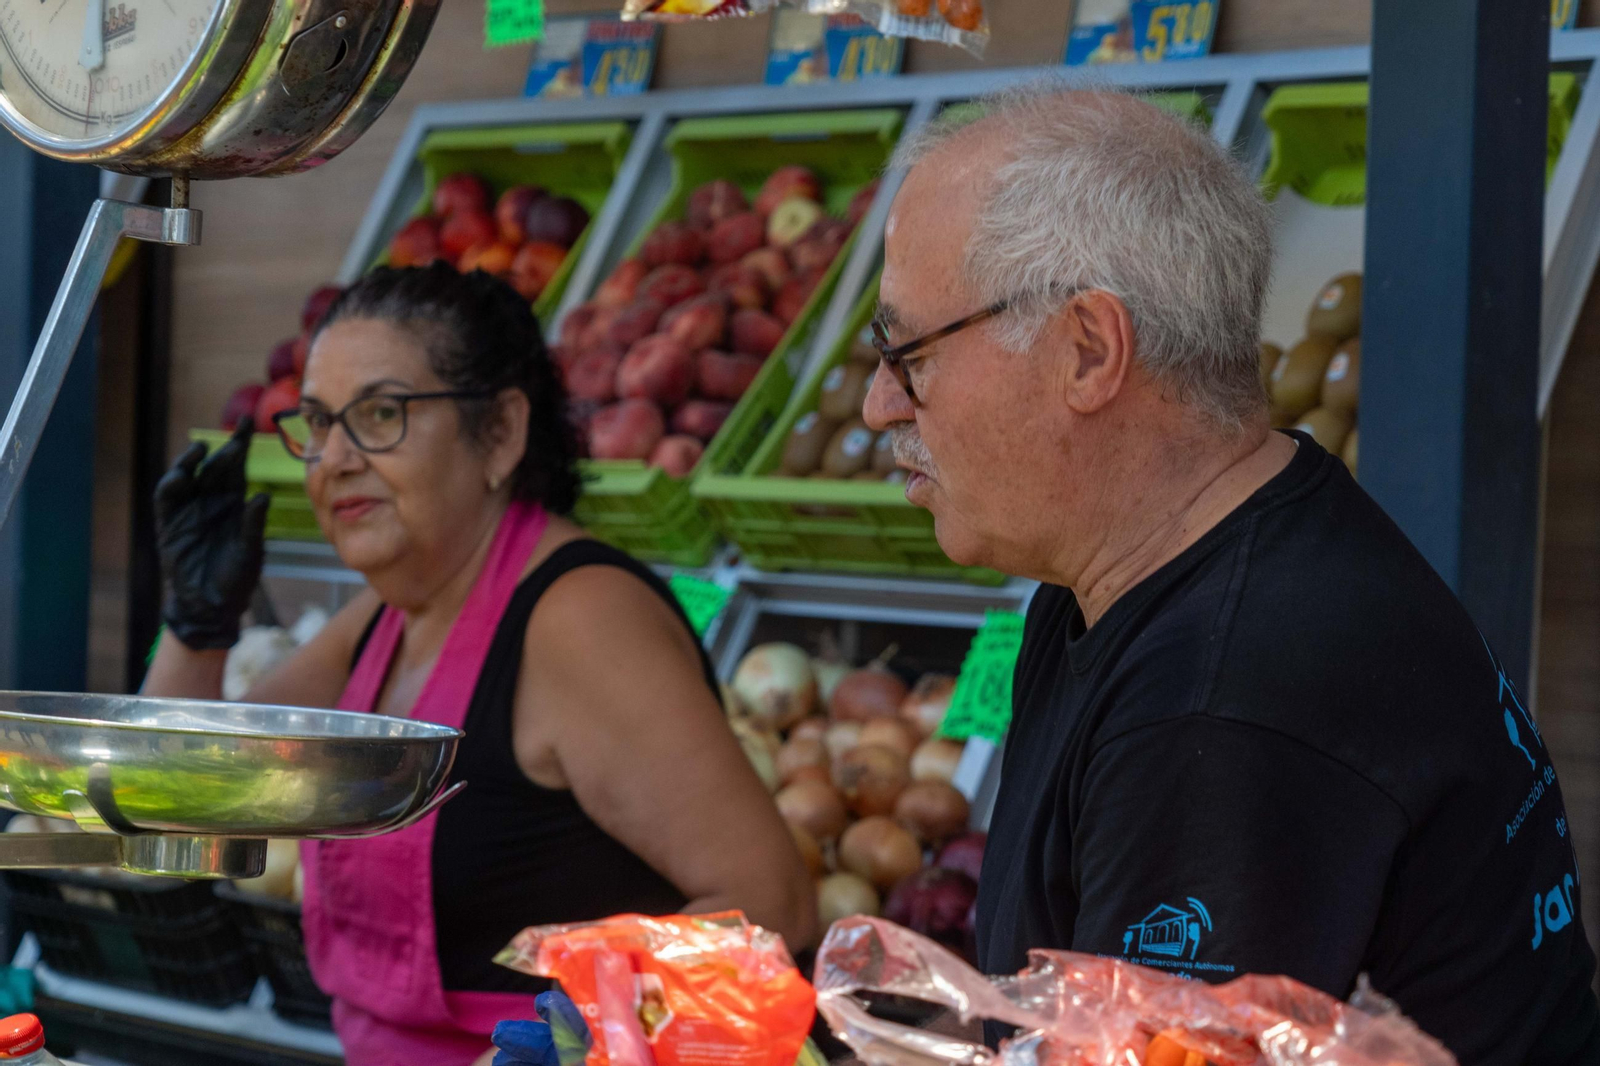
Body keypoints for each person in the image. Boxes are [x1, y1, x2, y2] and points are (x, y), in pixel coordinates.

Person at [861, 86, 1600, 1064]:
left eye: (906, 354)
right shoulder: (1173, 560)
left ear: (1088, 349)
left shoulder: (1221, 701)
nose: (878, 405)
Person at [143, 264, 815, 1066]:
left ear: (498, 433)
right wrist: (196, 625)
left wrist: (560, 1047)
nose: (336, 459)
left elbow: (772, 907)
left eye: (381, 415)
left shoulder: (580, 617)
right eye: (319, 424)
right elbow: (187, 798)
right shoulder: (391, 612)